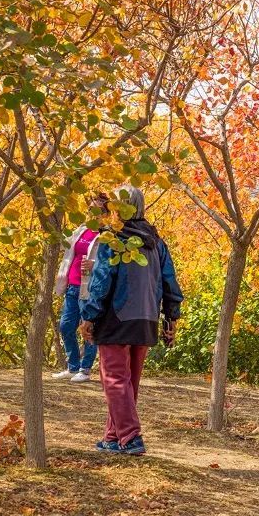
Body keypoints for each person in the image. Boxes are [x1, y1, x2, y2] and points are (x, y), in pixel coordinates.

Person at [79, 186, 183, 456]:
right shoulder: (157, 241)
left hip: (117, 317)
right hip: (146, 317)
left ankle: (131, 436)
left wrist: (89, 316)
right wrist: (171, 318)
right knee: (128, 383)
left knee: (113, 379)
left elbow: (101, 282)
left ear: (119, 207)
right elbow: (170, 281)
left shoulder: (112, 239)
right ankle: (114, 438)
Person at [52, 193, 109, 383]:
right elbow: (67, 250)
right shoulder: (81, 230)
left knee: (89, 328)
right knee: (66, 326)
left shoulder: (107, 235)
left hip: (91, 288)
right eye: (91, 209)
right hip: (73, 286)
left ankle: (85, 369)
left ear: (106, 214)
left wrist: (95, 265)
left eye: (99, 211)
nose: (94, 214)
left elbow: (110, 264)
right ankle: (72, 366)